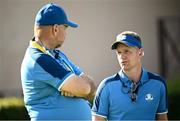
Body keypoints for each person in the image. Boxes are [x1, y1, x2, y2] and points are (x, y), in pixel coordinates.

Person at [21, 3, 95, 120]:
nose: (66, 33)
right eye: (65, 27)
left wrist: (80, 88)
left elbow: (91, 85)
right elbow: (85, 89)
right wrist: (81, 88)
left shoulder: (57, 55)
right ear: (55, 29)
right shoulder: (39, 59)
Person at [92, 31, 168, 121]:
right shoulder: (106, 86)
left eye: (126, 51)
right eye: (119, 52)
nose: (122, 56)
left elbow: (162, 118)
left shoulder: (158, 84)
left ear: (140, 53)